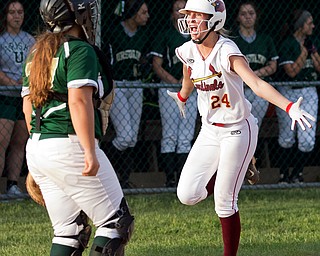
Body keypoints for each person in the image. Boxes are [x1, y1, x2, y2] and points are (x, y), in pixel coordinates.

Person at [167, 0, 315, 255]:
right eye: (188, 15)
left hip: (238, 128)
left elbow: (256, 85)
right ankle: (237, 166)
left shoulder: (226, 50)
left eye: (197, 15)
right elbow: (188, 75)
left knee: (224, 202)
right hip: (210, 129)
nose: (190, 20)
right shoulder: (188, 49)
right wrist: (182, 95)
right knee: (187, 195)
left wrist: (288, 106)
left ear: (215, 20)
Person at [22, 0, 134, 255]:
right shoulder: (79, 50)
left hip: (38, 144)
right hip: (68, 142)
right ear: (79, 15)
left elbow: (28, 107)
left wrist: (38, 158)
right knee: (116, 224)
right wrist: (89, 151)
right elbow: (78, 100)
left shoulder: (36, 51)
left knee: (69, 231)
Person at [103, 0, 150, 188]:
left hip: (136, 85)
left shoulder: (143, 34)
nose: (147, 16)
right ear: (133, 13)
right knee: (125, 136)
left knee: (132, 138)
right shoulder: (115, 31)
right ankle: (104, 163)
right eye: (143, 12)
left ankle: (123, 179)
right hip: (119, 85)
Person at [151, 0, 198, 187]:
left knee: (186, 135)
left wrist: (188, 82)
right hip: (169, 89)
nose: (181, 13)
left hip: (193, 90)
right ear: (172, 14)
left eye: (184, 9)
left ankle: (183, 179)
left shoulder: (196, 35)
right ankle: (171, 178)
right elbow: (156, 64)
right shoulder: (165, 35)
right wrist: (176, 82)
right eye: (176, 10)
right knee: (170, 134)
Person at [232, 1, 279, 171]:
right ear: (238, 17)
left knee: (253, 126)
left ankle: (250, 165)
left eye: (251, 13)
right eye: (243, 13)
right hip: (239, 91)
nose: (248, 17)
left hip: (258, 90)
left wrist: (252, 76)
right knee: (238, 127)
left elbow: (273, 65)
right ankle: (239, 165)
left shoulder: (265, 39)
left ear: (256, 16)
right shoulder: (233, 40)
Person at [275, 9, 320, 184]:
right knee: (287, 137)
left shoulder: (312, 42)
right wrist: (303, 53)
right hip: (289, 92)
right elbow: (292, 72)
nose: (313, 26)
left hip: (309, 91)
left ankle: (297, 174)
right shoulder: (288, 43)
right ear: (301, 25)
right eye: (309, 23)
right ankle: (283, 175)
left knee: (307, 140)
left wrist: (313, 51)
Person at [0, 0, 35, 198]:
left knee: (19, 142)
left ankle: (12, 184)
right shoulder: (1, 39)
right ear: (5, 15)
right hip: (4, 95)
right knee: (1, 142)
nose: (16, 16)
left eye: (20, 12)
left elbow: (34, 64)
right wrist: (10, 82)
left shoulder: (30, 40)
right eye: (12, 12)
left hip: (23, 97)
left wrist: (26, 79)